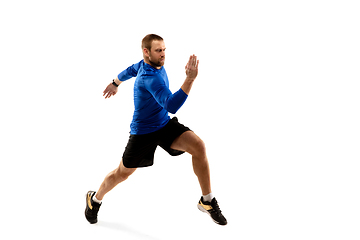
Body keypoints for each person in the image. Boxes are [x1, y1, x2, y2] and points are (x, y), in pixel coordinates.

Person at [85, 34, 227, 225]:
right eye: (158, 50)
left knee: (199, 146)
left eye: (164, 50)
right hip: (143, 132)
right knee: (122, 173)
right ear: (146, 52)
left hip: (163, 124)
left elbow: (129, 70)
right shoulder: (149, 78)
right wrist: (190, 79)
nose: (163, 54)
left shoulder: (146, 64)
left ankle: (207, 200)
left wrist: (115, 82)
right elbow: (171, 105)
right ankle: (95, 199)